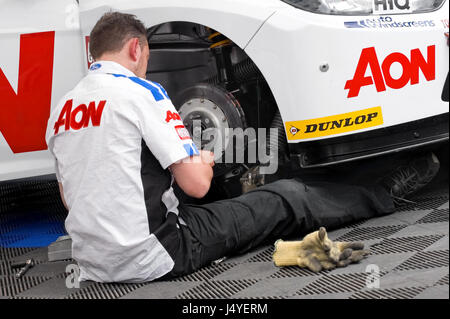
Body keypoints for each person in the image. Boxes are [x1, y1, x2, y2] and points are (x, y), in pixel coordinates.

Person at [45, 12, 440, 283]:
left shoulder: (62, 109)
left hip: (93, 264)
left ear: (93, 53)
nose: (146, 63)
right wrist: (201, 157)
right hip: (157, 255)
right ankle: (384, 190)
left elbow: (71, 197)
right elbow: (198, 186)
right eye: (147, 55)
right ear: (136, 49)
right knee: (282, 198)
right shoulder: (139, 92)